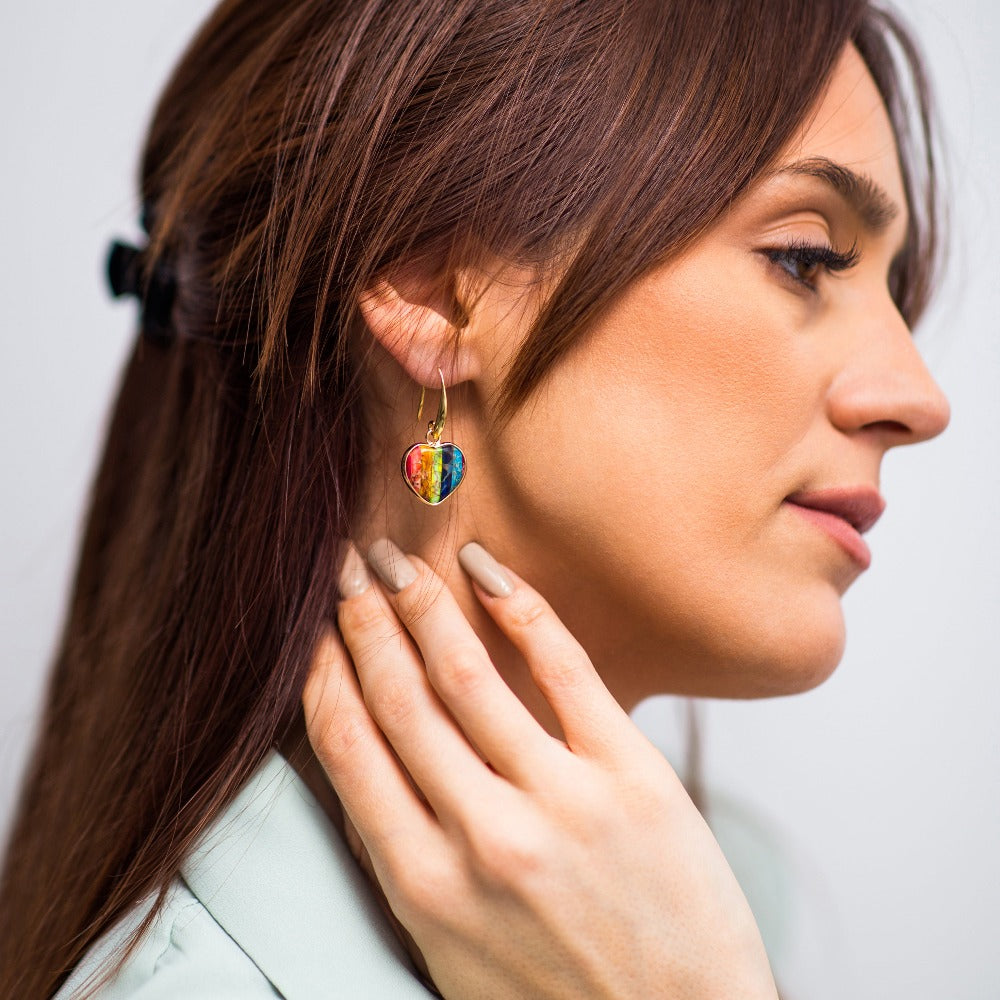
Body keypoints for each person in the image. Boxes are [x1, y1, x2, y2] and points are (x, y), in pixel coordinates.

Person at [0, 0, 952, 997]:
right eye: (804, 258)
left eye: (895, 294)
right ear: (434, 288)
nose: (919, 399)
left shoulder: (724, 902)